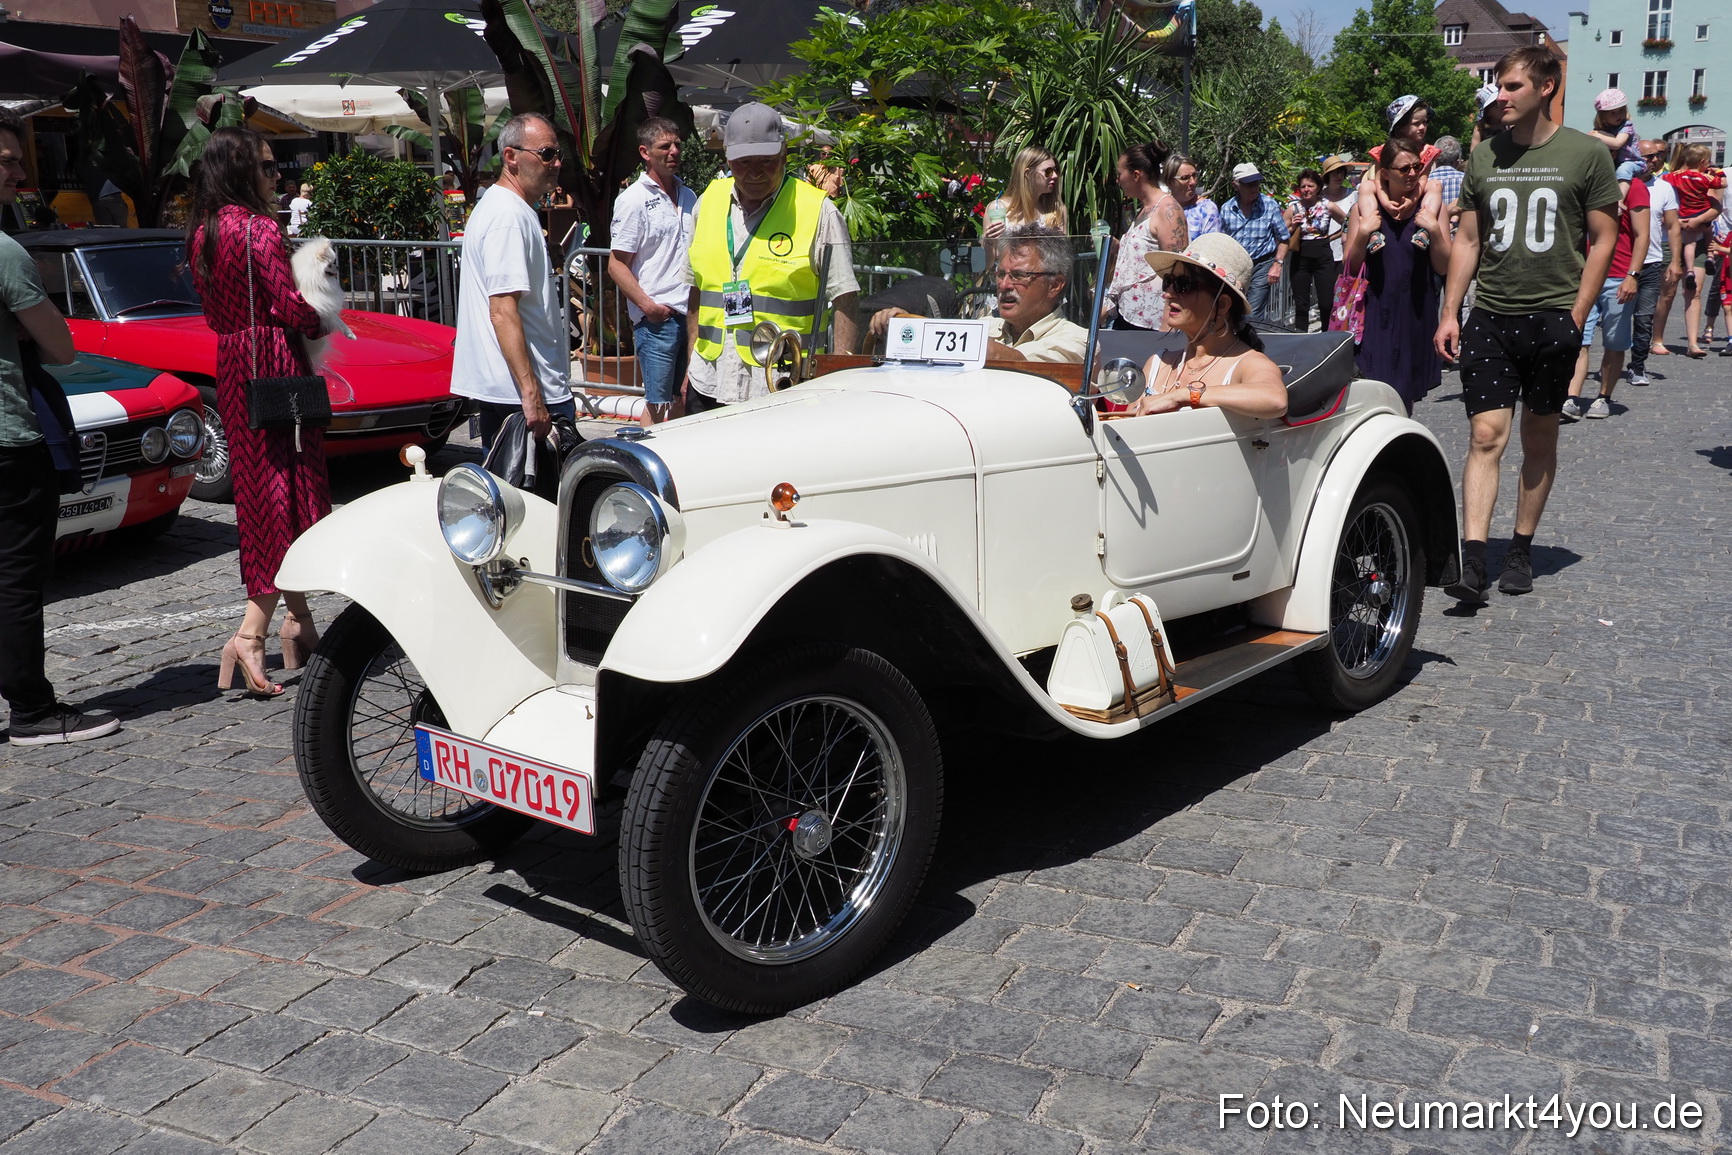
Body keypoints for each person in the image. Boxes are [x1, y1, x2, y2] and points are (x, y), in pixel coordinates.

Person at [1434, 46, 1619, 601]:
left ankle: (1519, 547)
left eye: (1513, 86)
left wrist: (1578, 314)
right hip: (1491, 316)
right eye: (1498, 86)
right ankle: (1472, 560)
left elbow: (1605, 237)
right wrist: (1451, 311)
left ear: (1546, 87)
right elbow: (1467, 239)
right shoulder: (1484, 157)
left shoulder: (1586, 154)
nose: (1501, 96)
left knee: (1539, 436)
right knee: (1485, 435)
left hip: (1553, 317)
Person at [187, 127, 333, 699]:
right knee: (286, 491)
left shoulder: (202, 232)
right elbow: (288, 304)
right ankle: (252, 632)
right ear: (242, 172)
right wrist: (321, 317)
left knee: (264, 491)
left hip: (232, 361)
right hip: (274, 361)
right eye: (268, 169)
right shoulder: (259, 228)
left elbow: (210, 312)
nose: (277, 177)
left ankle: (300, 623)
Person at [0, 111, 122, 745]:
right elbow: (62, 347)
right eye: (6, 161)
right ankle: (32, 710)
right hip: (7, 440)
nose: (20, 171)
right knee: (17, 576)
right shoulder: (6, 252)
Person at [685, 103, 859, 412]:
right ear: (727, 158)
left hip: (782, 384)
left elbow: (845, 298)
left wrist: (840, 374)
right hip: (709, 379)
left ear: (784, 155)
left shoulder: (818, 211)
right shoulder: (707, 202)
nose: (754, 172)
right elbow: (696, 289)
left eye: (766, 162)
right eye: (743, 162)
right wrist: (690, 362)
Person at [452, 113, 576, 450]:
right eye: (547, 154)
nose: (556, 163)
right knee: (542, 500)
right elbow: (502, 311)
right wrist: (531, 393)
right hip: (526, 398)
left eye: (557, 154)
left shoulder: (504, 208)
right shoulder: (507, 216)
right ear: (511, 157)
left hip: (514, 393)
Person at [1125, 233, 1287, 419]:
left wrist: (1183, 395)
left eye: (1183, 284)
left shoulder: (1247, 363)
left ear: (1223, 304)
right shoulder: (1158, 363)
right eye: (1169, 282)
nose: (1168, 294)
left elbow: (1276, 400)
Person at [1343, 139, 1451, 413]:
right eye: (1404, 169)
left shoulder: (1432, 207)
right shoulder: (1364, 209)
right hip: (1375, 310)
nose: (1413, 173)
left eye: (1417, 166)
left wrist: (1435, 231)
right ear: (1386, 173)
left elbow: (1443, 266)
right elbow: (1350, 267)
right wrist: (1364, 234)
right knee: (1376, 391)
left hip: (1416, 310)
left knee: (1405, 394)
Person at [608, 117, 697, 426]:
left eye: (677, 145)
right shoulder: (633, 199)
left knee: (681, 399)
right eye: (665, 146)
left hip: (690, 316)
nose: (674, 151)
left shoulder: (689, 196)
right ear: (645, 152)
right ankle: (645, 467)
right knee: (657, 404)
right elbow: (616, 263)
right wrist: (648, 307)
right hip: (658, 320)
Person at [1562, 160, 1649, 420]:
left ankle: (1603, 397)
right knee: (1578, 338)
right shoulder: (1582, 184)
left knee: (1614, 341)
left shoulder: (1635, 188)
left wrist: (1632, 275)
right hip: (1582, 275)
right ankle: (1571, 397)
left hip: (1618, 275)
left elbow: (1642, 235)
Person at [1104, 141, 1186, 331]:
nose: (1118, 180)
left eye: (1119, 174)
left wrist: (1169, 325)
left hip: (1152, 323)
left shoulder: (1168, 209)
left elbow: (1177, 270)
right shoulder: (1145, 210)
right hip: (1130, 314)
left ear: (1135, 175)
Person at [1662, 144, 1726, 357]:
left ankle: (1692, 344)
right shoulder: (1703, 177)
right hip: (1674, 238)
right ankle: (1657, 339)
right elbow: (1662, 206)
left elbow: (1717, 207)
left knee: (1694, 292)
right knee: (1668, 292)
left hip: (1694, 232)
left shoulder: (1673, 177)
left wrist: (1696, 220)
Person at [1627, 142, 1682, 386]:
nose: (1650, 160)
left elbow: (1672, 227)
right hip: (1618, 263)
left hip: (1651, 262)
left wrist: (1676, 261)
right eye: (1645, 156)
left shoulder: (1664, 188)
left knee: (1644, 318)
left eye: (1654, 156)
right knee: (1611, 320)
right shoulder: (1619, 185)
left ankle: (1637, 366)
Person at [1366, 96, 1444, 255]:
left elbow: (1423, 179)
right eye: (1416, 123)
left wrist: (1411, 201)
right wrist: (1386, 203)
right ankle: (1373, 231)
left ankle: (1424, 231)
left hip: (1416, 192)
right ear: (1400, 127)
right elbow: (1380, 180)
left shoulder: (1426, 152)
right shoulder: (1385, 151)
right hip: (1389, 193)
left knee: (1435, 185)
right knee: (1366, 186)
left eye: (1425, 122)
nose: (1422, 127)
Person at [1219, 163, 1289, 321]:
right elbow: (1222, 241)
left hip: (1262, 264)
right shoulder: (1226, 209)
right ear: (1236, 185)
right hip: (1236, 267)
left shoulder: (1269, 206)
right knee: (1233, 310)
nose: (1254, 188)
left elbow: (1284, 238)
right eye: (1249, 184)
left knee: (1253, 314)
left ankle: (1250, 343)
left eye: (1256, 183)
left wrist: (1277, 265)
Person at [1284, 169, 1338, 332]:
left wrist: (1335, 237)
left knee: (1326, 302)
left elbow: (1347, 222)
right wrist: (1293, 226)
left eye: (1310, 185)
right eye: (1303, 186)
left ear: (1318, 187)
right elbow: (1281, 234)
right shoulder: (1293, 208)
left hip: (1323, 254)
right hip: (1301, 256)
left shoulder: (1328, 205)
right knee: (1301, 304)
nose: (1306, 189)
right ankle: (1301, 338)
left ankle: (1326, 338)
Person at [1587, 89, 1643, 183]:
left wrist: (1597, 135)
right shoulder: (1603, 129)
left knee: (1623, 171)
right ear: (1602, 116)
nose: (1618, 115)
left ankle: (1620, 196)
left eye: (1621, 110)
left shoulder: (1626, 125)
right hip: (1616, 163)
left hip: (1632, 162)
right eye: (1612, 113)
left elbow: (1617, 143)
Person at [1166, 154, 1219, 240]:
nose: (1193, 182)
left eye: (1194, 175)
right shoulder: (1161, 207)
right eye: (1185, 178)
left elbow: (1212, 247)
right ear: (1169, 182)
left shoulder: (1207, 209)